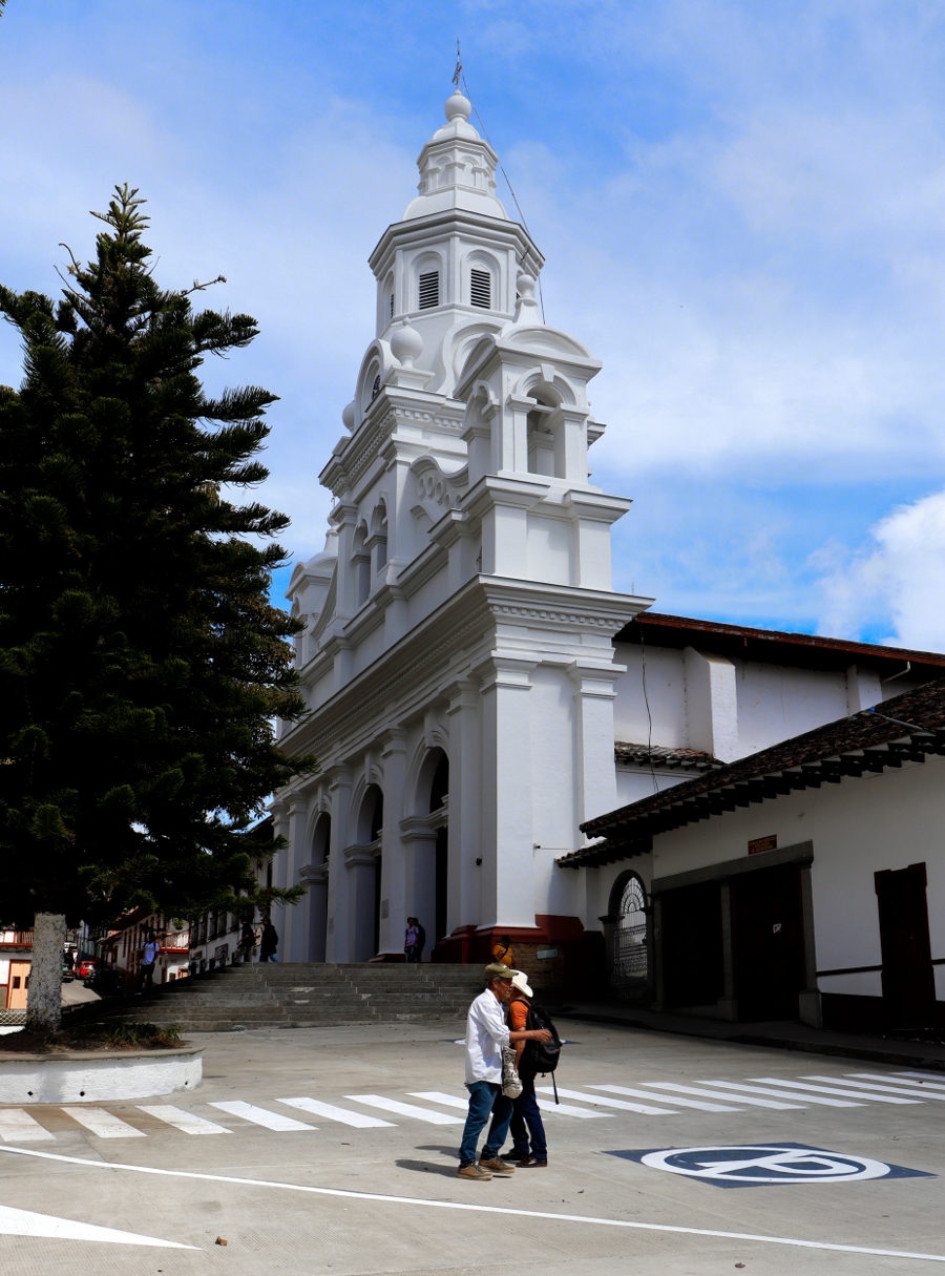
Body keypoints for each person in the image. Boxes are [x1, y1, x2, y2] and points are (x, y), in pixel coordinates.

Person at [457, 963, 552, 1181]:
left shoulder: (496, 1004)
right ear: (495, 982)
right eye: (507, 982)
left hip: (495, 1069)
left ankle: (490, 1155)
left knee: (506, 1110)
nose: (510, 986)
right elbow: (501, 1036)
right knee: (479, 1116)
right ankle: (466, 1162)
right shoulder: (485, 1003)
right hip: (482, 1070)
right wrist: (533, 1034)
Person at [506, 969, 548, 1167]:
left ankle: (539, 1153)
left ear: (513, 988)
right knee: (514, 1107)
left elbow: (521, 1040)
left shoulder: (516, 1006)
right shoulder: (525, 1003)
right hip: (523, 1065)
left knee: (528, 1108)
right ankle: (521, 1148)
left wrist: (514, 1068)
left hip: (521, 1066)